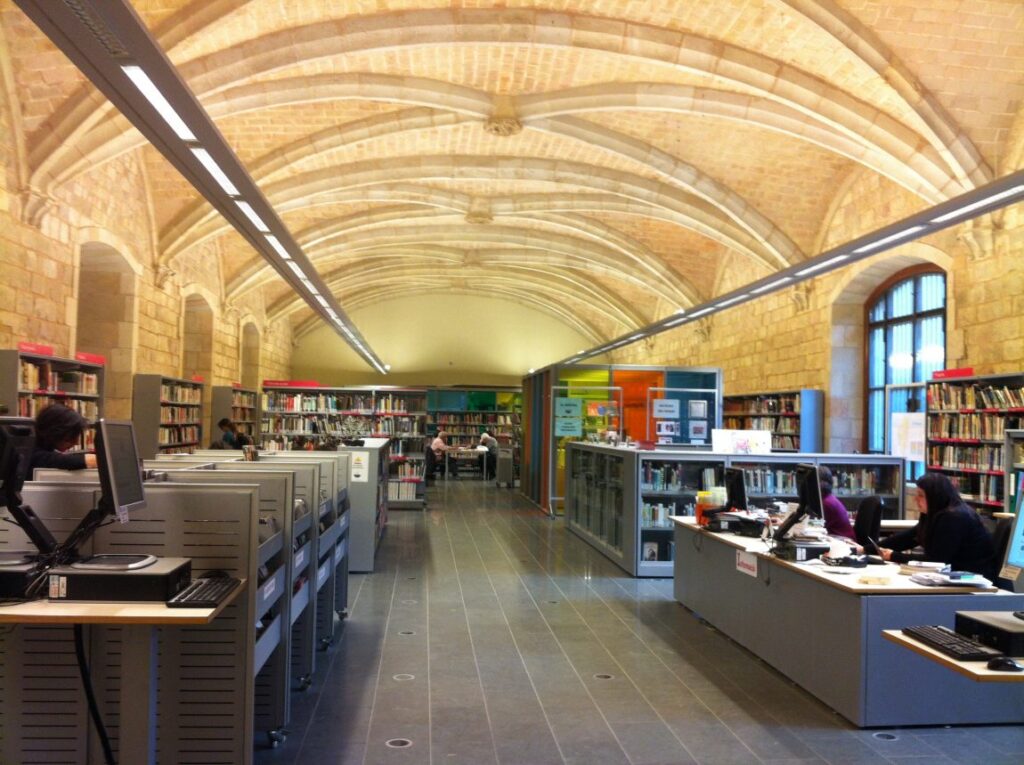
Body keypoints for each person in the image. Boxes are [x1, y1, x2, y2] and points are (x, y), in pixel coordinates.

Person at [879, 472, 996, 578]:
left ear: (934, 497)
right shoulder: (933, 512)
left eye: (920, 495)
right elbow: (908, 538)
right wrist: (869, 548)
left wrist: (894, 556)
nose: (915, 499)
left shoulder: (953, 517)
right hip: (953, 574)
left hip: (970, 578)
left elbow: (936, 560)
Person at [30, 404, 97, 470]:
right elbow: (45, 459)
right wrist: (84, 460)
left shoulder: (43, 445)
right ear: (54, 432)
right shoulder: (29, 449)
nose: (76, 442)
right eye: (71, 437)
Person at [819, 466, 855, 541]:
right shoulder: (828, 499)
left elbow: (818, 528)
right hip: (838, 540)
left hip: (845, 543)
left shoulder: (826, 504)